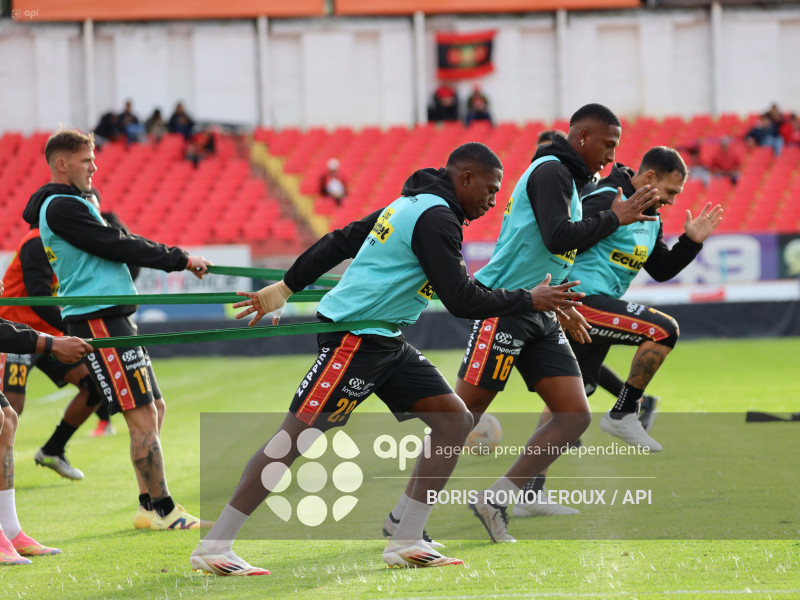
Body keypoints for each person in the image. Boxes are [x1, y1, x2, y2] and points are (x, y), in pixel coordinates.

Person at [189, 142, 587, 575]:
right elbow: (461, 299)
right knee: (294, 438)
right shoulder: (437, 217)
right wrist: (529, 299)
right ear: (466, 178)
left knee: (455, 420)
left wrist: (286, 287)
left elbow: (340, 239)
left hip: (385, 338)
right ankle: (214, 547)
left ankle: (407, 538)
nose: (493, 201)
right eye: (490, 190)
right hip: (355, 339)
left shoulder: (411, 204)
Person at [387, 104, 661, 543]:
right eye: (608, 144)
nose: (612, 156)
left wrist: (563, 304)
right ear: (583, 137)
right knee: (460, 420)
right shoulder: (551, 170)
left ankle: (495, 499)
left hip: (542, 309)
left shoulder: (568, 179)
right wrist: (616, 218)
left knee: (573, 416)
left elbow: (553, 251)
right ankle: (403, 518)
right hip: (505, 306)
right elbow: (557, 236)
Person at [513, 147, 723, 516]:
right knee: (664, 330)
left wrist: (691, 242)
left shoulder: (652, 217)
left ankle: (528, 493)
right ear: (650, 178)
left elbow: (661, 269)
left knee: (566, 408)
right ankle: (624, 412)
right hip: (580, 301)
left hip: (598, 308)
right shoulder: (606, 197)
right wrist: (557, 300)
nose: (673, 202)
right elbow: (560, 240)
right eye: (671, 192)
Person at [22, 129, 213, 531]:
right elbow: (116, 243)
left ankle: (148, 506)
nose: (94, 167)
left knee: (154, 408)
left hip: (110, 317)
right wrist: (179, 259)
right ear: (62, 164)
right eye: (86, 160)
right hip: (98, 317)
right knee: (141, 416)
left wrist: (177, 258)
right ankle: (164, 510)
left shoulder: (73, 202)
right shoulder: (61, 206)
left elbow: (119, 240)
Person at [0, 223, 107, 480]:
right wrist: (72, 330)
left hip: (47, 335)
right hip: (17, 334)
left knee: (94, 385)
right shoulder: (36, 241)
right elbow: (39, 298)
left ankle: (53, 450)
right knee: (10, 410)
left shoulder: (62, 243)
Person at [0, 278, 94, 565]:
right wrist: (53, 343)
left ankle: (10, 530)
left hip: (25, 333)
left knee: (8, 419)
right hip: (25, 336)